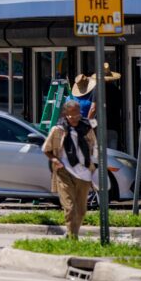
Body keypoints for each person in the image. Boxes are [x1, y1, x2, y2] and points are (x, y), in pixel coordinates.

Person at [42, 99, 98, 239]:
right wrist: (55, 160)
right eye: (71, 115)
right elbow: (46, 149)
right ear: (65, 114)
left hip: (84, 173)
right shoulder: (58, 130)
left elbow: (95, 147)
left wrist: (95, 165)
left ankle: (72, 233)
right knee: (70, 207)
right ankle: (73, 238)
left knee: (81, 210)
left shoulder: (87, 128)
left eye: (77, 114)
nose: (74, 118)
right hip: (64, 171)